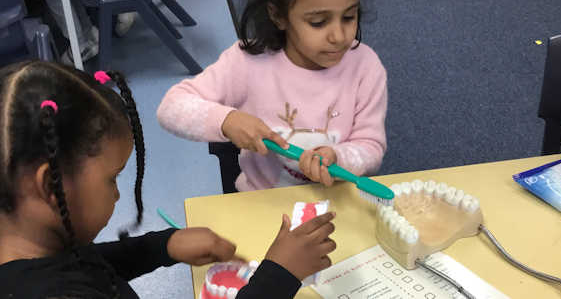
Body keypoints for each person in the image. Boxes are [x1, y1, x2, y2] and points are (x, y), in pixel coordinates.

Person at [0, 61, 336, 298]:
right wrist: (280, 276)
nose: (117, 196)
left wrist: (162, 246)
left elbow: (81, 265)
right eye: (112, 179)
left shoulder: (30, 247)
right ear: (49, 187)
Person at [157, 0, 388, 192]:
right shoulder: (247, 62)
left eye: (349, 17)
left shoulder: (365, 67)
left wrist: (340, 157)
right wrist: (227, 120)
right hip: (262, 201)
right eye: (318, 22)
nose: (339, 36)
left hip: (337, 199)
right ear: (279, 16)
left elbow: (371, 146)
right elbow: (171, 107)